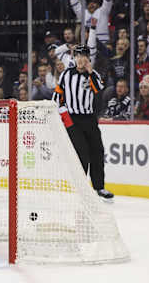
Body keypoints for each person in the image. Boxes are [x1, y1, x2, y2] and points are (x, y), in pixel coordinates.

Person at [52, 44, 114, 202]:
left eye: (83, 56)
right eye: (78, 56)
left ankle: (99, 187)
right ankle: (81, 188)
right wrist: (64, 118)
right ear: (74, 58)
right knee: (82, 153)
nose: (80, 59)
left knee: (97, 151)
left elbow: (98, 88)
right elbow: (57, 97)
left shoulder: (92, 75)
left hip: (90, 118)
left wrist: (90, 71)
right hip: (73, 120)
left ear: (88, 59)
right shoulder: (66, 74)